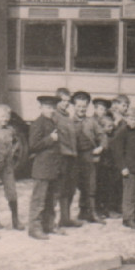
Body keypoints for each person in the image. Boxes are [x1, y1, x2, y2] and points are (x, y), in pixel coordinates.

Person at [27, 96, 61, 240]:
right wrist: (50, 139)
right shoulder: (37, 123)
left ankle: (48, 226)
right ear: (41, 108)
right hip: (42, 168)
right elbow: (33, 146)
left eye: (53, 107)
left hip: (52, 168)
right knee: (39, 200)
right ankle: (34, 229)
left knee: (50, 199)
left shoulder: (52, 122)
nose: (51, 110)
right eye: (48, 107)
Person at [73, 91, 107, 224]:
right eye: (78, 106)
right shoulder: (70, 122)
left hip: (88, 156)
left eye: (84, 107)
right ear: (74, 107)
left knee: (91, 184)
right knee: (78, 184)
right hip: (75, 157)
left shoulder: (91, 122)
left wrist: (101, 147)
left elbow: (102, 135)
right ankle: (82, 211)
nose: (81, 109)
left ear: (87, 107)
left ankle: (91, 213)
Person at [0, 104, 24, 232]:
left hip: (7, 166)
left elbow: (15, 141)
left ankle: (15, 220)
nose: (5, 119)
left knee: (12, 192)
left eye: (7, 116)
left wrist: (12, 151)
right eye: (2, 116)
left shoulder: (10, 130)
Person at [53, 87, 83, 228]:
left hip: (72, 156)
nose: (65, 104)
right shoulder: (54, 117)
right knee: (60, 189)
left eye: (67, 101)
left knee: (70, 188)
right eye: (62, 101)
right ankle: (54, 221)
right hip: (61, 157)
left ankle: (66, 218)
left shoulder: (68, 117)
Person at [96, 116, 121, 218]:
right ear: (102, 127)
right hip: (103, 167)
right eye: (108, 126)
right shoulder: (101, 138)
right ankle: (104, 210)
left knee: (112, 188)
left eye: (112, 126)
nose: (111, 128)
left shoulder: (113, 137)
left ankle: (112, 208)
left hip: (112, 166)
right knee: (103, 189)